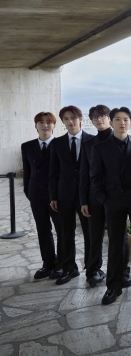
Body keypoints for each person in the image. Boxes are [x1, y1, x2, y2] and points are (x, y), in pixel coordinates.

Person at [91, 107, 131, 305]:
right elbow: (95, 178)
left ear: (130, 122)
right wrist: (105, 200)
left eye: (126, 119)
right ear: (111, 122)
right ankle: (113, 286)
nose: (122, 123)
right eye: (117, 119)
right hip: (113, 200)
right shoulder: (100, 148)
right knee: (115, 243)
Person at [49, 105, 94, 285]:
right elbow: (53, 172)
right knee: (65, 233)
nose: (70, 121)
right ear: (62, 122)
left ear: (81, 119)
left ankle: (92, 269)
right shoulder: (57, 143)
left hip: (87, 196)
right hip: (64, 195)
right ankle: (69, 268)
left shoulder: (93, 141)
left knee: (91, 234)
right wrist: (53, 196)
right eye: (66, 119)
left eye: (73, 118)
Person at [21, 112, 62, 280]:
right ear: (35, 125)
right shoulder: (27, 146)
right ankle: (48, 263)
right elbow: (27, 171)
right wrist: (28, 191)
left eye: (48, 122)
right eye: (41, 122)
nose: (45, 125)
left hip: (57, 196)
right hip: (36, 195)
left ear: (54, 125)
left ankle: (61, 264)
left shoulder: (60, 145)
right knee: (43, 230)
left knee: (62, 231)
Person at [80, 104, 112, 288]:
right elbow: (83, 174)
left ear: (109, 117)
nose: (99, 119)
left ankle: (122, 271)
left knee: (118, 236)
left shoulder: (118, 139)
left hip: (115, 197)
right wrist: (83, 200)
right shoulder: (88, 144)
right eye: (95, 117)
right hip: (93, 198)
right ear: (91, 121)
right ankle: (93, 271)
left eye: (102, 116)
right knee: (94, 236)